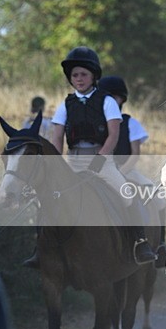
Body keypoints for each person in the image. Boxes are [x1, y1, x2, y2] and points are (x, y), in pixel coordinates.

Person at [23, 47, 156, 268]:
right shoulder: (66, 104)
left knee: (126, 193)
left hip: (102, 160)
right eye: (75, 75)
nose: (79, 79)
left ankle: (139, 242)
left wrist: (101, 158)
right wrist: (55, 164)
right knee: (45, 198)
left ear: (93, 76)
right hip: (72, 160)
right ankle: (41, 249)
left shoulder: (107, 101)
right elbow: (57, 137)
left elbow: (113, 134)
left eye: (83, 74)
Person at [97, 75, 166, 266]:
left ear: (121, 99)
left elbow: (135, 154)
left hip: (126, 170)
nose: (108, 101)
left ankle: (161, 244)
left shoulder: (130, 123)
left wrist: (121, 171)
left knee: (158, 197)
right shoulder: (95, 124)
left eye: (113, 97)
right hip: (97, 170)